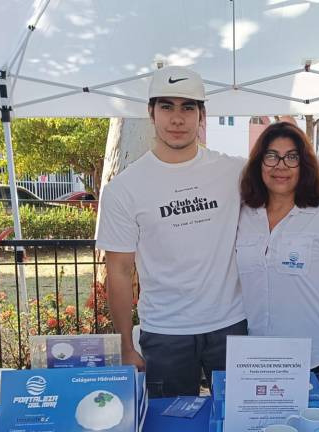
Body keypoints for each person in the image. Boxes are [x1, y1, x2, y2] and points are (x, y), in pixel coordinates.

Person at [95, 66, 247, 397]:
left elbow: (293, 185)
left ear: (202, 115)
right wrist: (124, 346)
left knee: (239, 418)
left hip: (230, 325)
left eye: (187, 107)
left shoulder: (234, 171)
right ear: (151, 113)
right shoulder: (125, 188)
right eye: (167, 106)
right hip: (165, 332)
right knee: (169, 423)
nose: (177, 119)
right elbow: (118, 271)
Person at [236, 122, 319, 386]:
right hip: (254, 357)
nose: (281, 166)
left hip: (312, 359)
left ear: (304, 166)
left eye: (292, 157)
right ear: (259, 164)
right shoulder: (242, 214)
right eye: (271, 156)